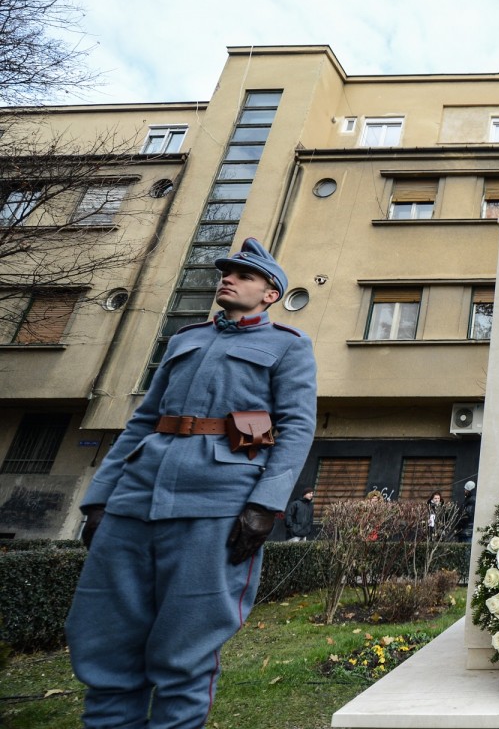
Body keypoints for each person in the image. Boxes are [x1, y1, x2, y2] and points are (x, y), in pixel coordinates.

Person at [66, 237, 318, 728]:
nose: (228, 278)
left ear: (271, 294)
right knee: (106, 636)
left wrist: (264, 506)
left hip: (217, 506)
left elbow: (296, 428)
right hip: (135, 500)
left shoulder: (288, 346)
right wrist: (100, 500)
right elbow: (142, 422)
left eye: (244, 275)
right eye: (226, 272)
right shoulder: (185, 340)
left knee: (187, 642)